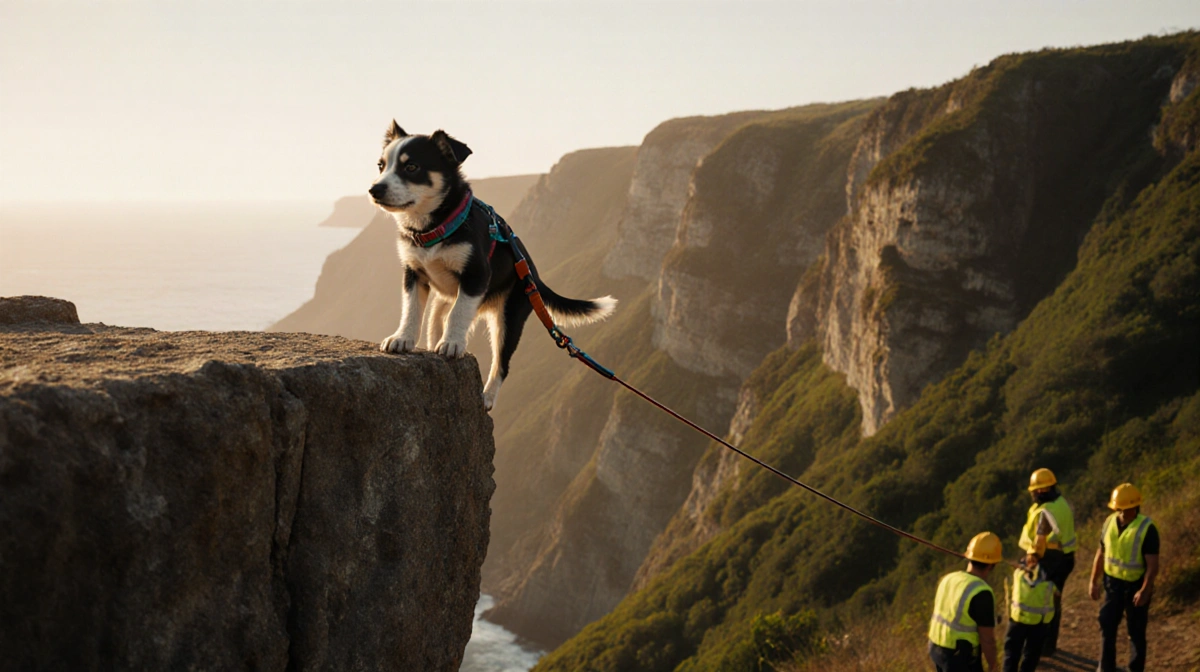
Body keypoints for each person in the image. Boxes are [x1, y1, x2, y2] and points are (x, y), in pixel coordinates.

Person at [1089, 483, 1159, 672]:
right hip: (1112, 585)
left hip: (1136, 586)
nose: (1120, 512)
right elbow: (1101, 553)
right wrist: (1093, 581)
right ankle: (1105, 668)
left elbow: (1152, 566)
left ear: (1134, 506)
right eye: (1117, 508)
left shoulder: (1147, 529)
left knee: (1136, 633)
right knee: (1107, 624)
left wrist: (1145, 590)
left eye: (1123, 508)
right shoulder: (1109, 522)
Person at [1017, 467, 1076, 655]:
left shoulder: (1046, 512)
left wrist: (1030, 561)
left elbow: (1040, 541)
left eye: (1034, 490)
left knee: (1040, 602)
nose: (1033, 494)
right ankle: (1049, 645)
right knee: (1053, 600)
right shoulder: (1060, 503)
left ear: (1041, 490)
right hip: (1064, 557)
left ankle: (1041, 646)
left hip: (1050, 559)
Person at [929, 532, 1002, 672]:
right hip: (959, 657)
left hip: (936, 648)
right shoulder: (982, 592)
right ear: (992, 565)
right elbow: (988, 640)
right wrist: (994, 665)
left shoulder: (948, 578)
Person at [1003, 559, 1055, 672]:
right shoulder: (1049, 581)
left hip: (1017, 620)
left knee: (1011, 656)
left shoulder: (1018, 575)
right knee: (1031, 657)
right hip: (1040, 623)